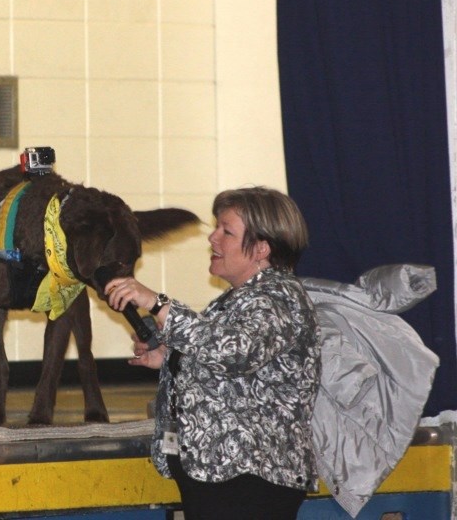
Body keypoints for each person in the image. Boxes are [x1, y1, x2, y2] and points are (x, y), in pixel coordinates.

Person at [104, 187, 320, 519]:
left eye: (226, 231)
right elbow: (226, 361)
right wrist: (170, 357)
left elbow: (234, 352)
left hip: (250, 477)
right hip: (222, 475)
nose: (213, 238)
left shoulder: (279, 295)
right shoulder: (237, 299)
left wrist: (158, 304)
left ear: (261, 248)